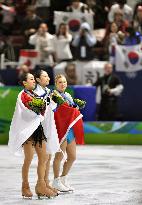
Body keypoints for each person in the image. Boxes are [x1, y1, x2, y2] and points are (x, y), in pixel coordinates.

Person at [8, 72, 59, 199]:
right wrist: (47, 99)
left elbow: (43, 107)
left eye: (33, 79)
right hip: (28, 131)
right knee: (29, 159)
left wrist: (51, 99)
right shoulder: (23, 95)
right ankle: (25, 186)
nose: (33, 81)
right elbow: (35, 106)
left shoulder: (35, 94)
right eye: (31, 79)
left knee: (44, 157)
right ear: (25, 83)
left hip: (37, 129)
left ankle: (41, 186)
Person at [52, 74, 84, 192]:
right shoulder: (54, 95)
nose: (63, 84)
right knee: (59, 156)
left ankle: (63, 178)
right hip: (61, 129)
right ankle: (55, 181)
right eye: (60, 82)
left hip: (70, 129)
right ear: (56, 84)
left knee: (72, 157)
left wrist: (77, 106)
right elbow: (56, 112)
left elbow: (73, 110)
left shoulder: (68, 95)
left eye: (64, 82)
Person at [33, 69, 59, 195]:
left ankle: (46, 183)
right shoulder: (36, 92)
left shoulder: (48, 91)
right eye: (45, 76)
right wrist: (47, 99)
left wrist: (55, 100)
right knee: (43, 158)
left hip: (49, 126)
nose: (48, 78)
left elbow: (52, 107)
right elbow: (38, 108)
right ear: (38, 79)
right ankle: (40, 186)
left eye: (48, 76)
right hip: (40, 127)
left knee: (48, 156)